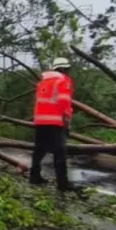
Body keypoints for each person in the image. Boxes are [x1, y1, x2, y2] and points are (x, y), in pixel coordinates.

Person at [30, 57, 74, 192]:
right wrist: (67, 120)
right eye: (67, 69)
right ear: (63, 69)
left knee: (39, 150)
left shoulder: (43, 82)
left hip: (40, 121)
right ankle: (62, 184)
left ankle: (34, 177)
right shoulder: (63, 81)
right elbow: (64, 102)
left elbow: (38, 102)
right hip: (55, 121)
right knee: (60, 152)